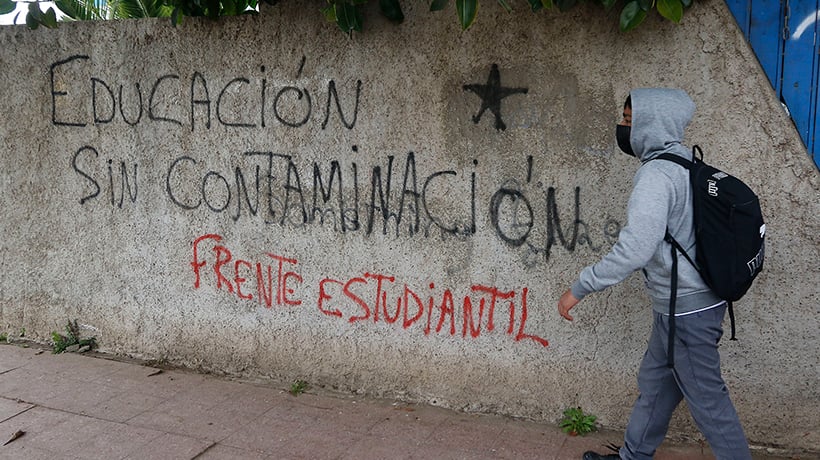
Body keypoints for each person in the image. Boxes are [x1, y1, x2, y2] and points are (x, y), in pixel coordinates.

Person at [557, 88, 752, 460]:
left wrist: (580, 288)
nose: (622, 126)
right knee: (657, 385)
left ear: (651, 124)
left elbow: (635, 249)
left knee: (710, 405)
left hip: (688, 312)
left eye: (629, 120)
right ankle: (633, 456)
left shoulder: (657, 175)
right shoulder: (684, 164)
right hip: (678, 307)